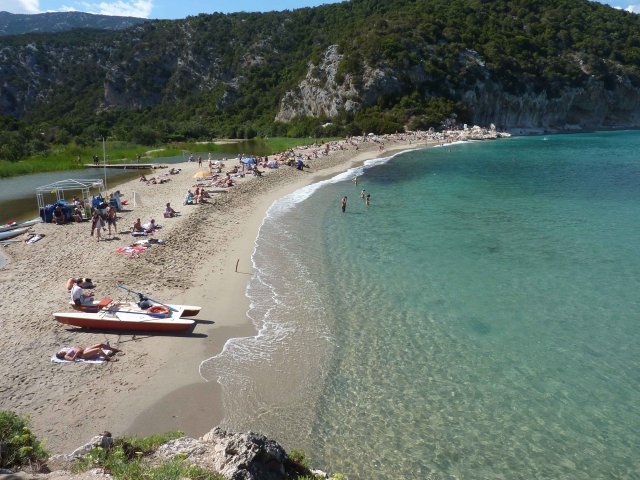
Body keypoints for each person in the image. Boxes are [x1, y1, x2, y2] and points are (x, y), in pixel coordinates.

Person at [56, 343, 121, 362]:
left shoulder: (67, 349)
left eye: (60, 352)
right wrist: (77, 353)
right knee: (98, 349)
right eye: (60, 354)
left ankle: (114, 349)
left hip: (85, 350)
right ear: (61, 356)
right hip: (83, 355)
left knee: (100, 344)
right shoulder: (66, 356)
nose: (61, 352)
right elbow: (73, 359)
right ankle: (109, 359)